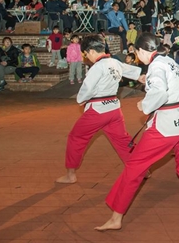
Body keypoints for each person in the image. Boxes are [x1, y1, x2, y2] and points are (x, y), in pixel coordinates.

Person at [96, 33, 179, 231]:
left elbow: (160, 92)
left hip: (167, 125)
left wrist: (144, 104)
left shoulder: (155, 66)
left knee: (135, 167)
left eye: (137, 54)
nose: (138, 58)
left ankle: (116, 218)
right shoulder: (167, 60)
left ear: (143, 51)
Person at [55, 35, 140, 185]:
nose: (86, 57)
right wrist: (144, 76)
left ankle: (70, 175)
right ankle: (142, 168)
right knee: (122, 140)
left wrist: (80, 101)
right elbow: (135, 72)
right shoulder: (115, 62)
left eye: (86, 54)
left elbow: (87, 89)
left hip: (98, 110)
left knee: (76, 138)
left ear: (92, 51)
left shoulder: (97, 67)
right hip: (114, 108)